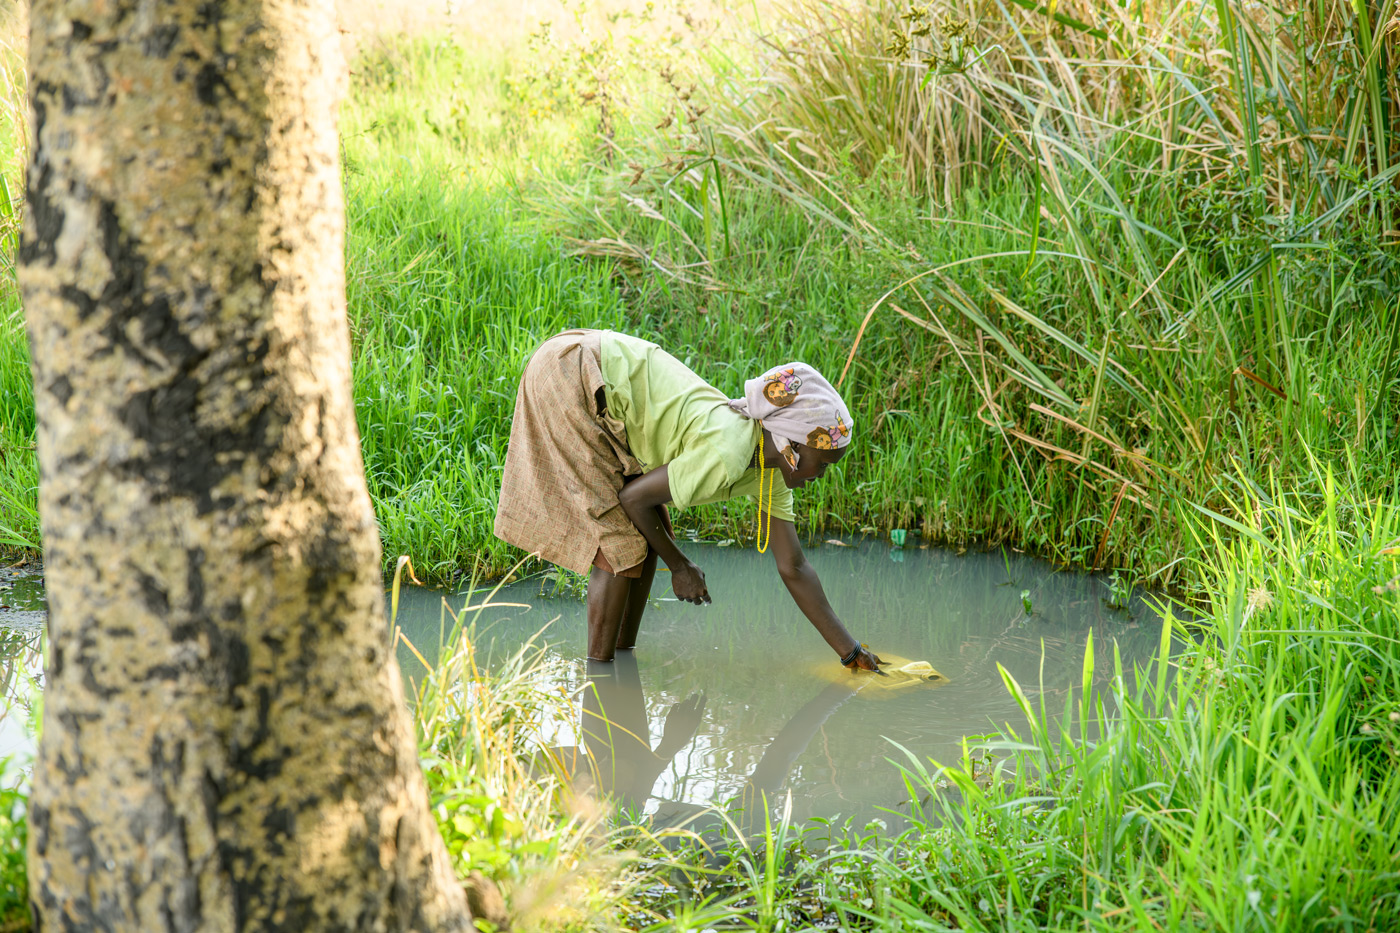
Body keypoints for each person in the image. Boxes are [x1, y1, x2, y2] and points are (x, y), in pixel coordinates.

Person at [493, 329, 883, 672]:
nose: (821, 476)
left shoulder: (771, 475)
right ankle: (601, 677)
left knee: (642, 535)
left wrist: (852, 653)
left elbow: (794, 567)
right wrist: (680, 566)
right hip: (575, 373)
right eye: (823, 464)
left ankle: (620, 661)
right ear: (792, 446)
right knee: (620, 547)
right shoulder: (728, 451)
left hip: (596, 370)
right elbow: (633, 499)